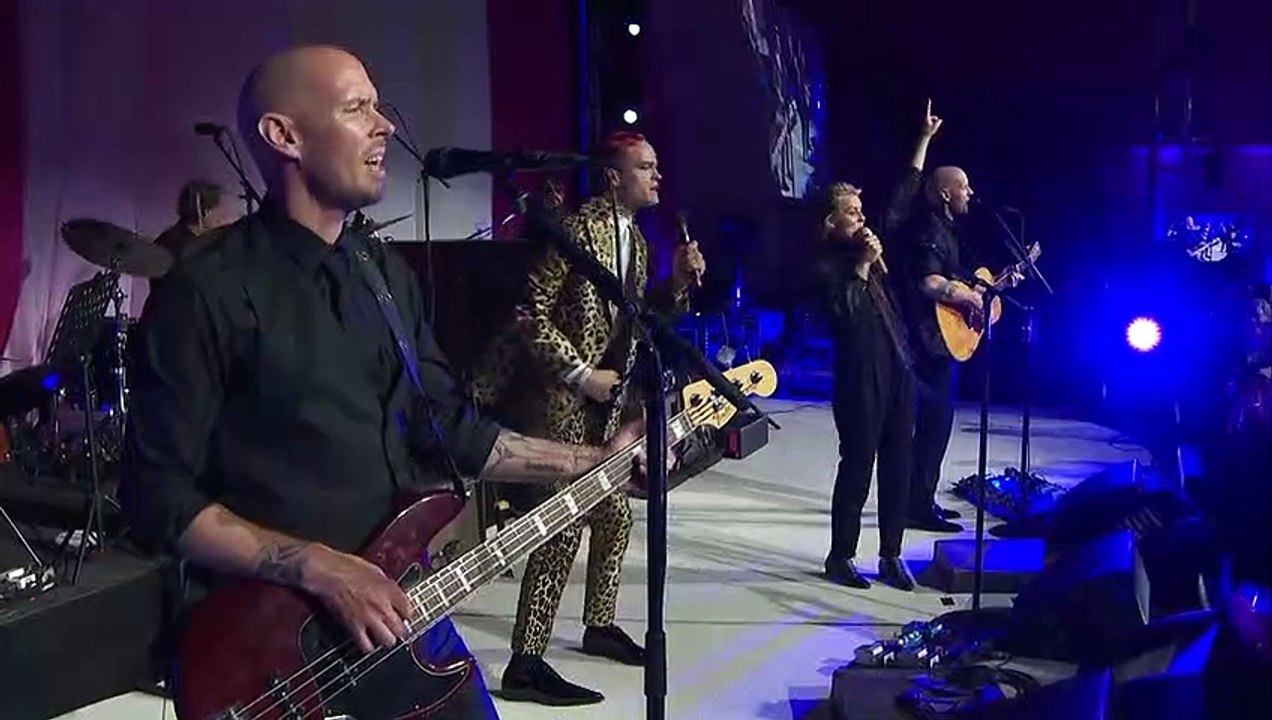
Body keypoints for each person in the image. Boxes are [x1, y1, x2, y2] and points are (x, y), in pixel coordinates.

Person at [120, 45, 648, 720]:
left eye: (379, 105)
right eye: (356, 107)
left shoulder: (383, 274)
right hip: (266, 647)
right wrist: (318, 566)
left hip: (399, 605)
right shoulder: (206, 291)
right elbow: (157, 496)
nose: (385, 126)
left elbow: (452, 428)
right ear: (284, 136)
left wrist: (595, 463)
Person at [468, 131, 706, 706]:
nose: (657, 177)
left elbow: (642, 321)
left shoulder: (640, 243)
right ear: (612, 176)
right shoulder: (577, 232)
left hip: (609, 403)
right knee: (562, 524)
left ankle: (598, 624)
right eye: (645, 167)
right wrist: (579, 373)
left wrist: (676, 284)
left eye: (656, 167)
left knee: (615, 516)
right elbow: (529, 313)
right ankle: (525, 663)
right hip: (559, 397)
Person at [816, 181, 917, 591]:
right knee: (858, 464)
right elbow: (845, 317)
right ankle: (840, 556)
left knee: (899, 463)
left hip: (897, 366)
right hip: (860, 375)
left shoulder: (873, 258)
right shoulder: (827, 262)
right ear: (831, 220)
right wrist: (861, 264)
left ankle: (891, 554)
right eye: (852, 212)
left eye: (861, 210)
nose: (860, 218)